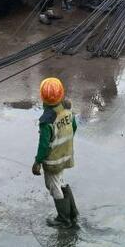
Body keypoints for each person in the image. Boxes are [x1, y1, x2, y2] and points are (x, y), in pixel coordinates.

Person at [33, 77, 79, 228]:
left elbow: (44, 145)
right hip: (65, 155)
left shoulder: (47, 121)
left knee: (54, 187)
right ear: (61, 94)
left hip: (53, 161)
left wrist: (37, 162)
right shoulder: (66, 110)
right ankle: (73, 212)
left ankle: (63, 219)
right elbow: (73, 127)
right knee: (60, 182)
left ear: (42, 97)